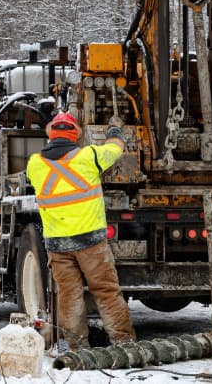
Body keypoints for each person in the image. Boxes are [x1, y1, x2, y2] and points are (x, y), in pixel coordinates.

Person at [26, 111, 135, 350]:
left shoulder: (34, 164)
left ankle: (76, 348)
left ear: (50, 135)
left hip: (57, 244)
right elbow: (115, 149)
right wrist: (115, 131)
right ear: (76, 135)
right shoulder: (89, 157)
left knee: (69, 296)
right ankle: (124, 343)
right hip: (91, 241)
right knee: (106, 291)